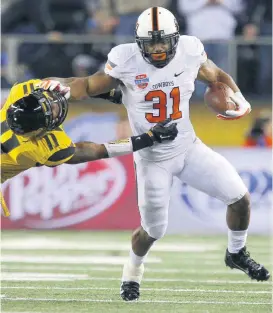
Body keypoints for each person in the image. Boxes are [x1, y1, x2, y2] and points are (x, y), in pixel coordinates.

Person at [40, 7, 270, 301]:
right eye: (152, 42)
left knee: (240, 199)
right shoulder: (125, 60)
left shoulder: (190, 50)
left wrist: (239, 98)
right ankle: (132, 272)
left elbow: (217, 76)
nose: (158, 48)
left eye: (163, 41)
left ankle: (236, 253)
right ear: (139, 42)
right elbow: (87, 85)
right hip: (152, 158)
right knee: (153, 230)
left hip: (188, 147)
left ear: (175, 38)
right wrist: (64, 89)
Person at [0, 78, 178, 217]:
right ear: (38, 131)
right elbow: (97, 150)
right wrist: (147, 139)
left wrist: (108, 93)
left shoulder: (20, 94)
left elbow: (64, 84)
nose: (56, 105)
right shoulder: (41, 149)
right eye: (52, 111)